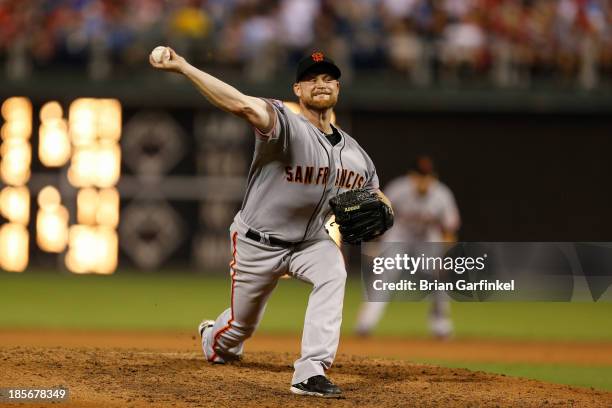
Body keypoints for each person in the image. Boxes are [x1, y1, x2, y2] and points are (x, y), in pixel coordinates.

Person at [150, 48, 390, 398]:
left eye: (327, 79)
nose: (320, 84)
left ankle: (311, 372)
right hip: (257, 243)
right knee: (237, 331)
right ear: (297, 89)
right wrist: (185, 67)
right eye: (311, 79)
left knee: (333, 272)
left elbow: (376, 196)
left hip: (310, 242)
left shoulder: (357, 154)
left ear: (338, 87)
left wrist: (383, 209)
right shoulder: (285, 124)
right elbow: (243, 105)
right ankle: (212, 337)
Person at [355, 155, 460, 338]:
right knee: (383, 277)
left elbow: (449, 229)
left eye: (427, 176)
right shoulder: (398, 189)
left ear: (433, 177)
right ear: (411, 176)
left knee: (438, 279)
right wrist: (374, 242)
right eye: (419, 175)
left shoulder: (442, 195)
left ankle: (441, 326)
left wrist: (445, 255)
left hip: (427, 240)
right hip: (399, 236)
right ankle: (365, 324)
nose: (423, 180)